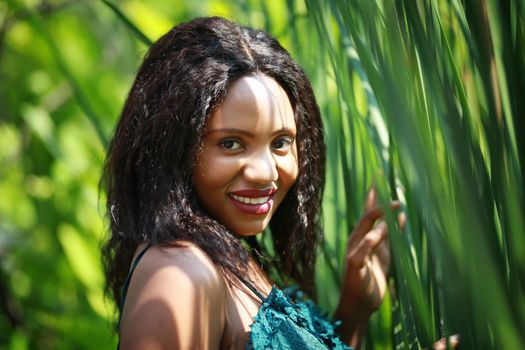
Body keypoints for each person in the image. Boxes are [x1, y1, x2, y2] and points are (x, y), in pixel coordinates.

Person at [102, 16, 401, 349]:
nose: (266, 172)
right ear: (172, 148)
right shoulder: (179, 272)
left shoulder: (228, 256)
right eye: (231, 143)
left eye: (280, 143)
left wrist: (354, 310)